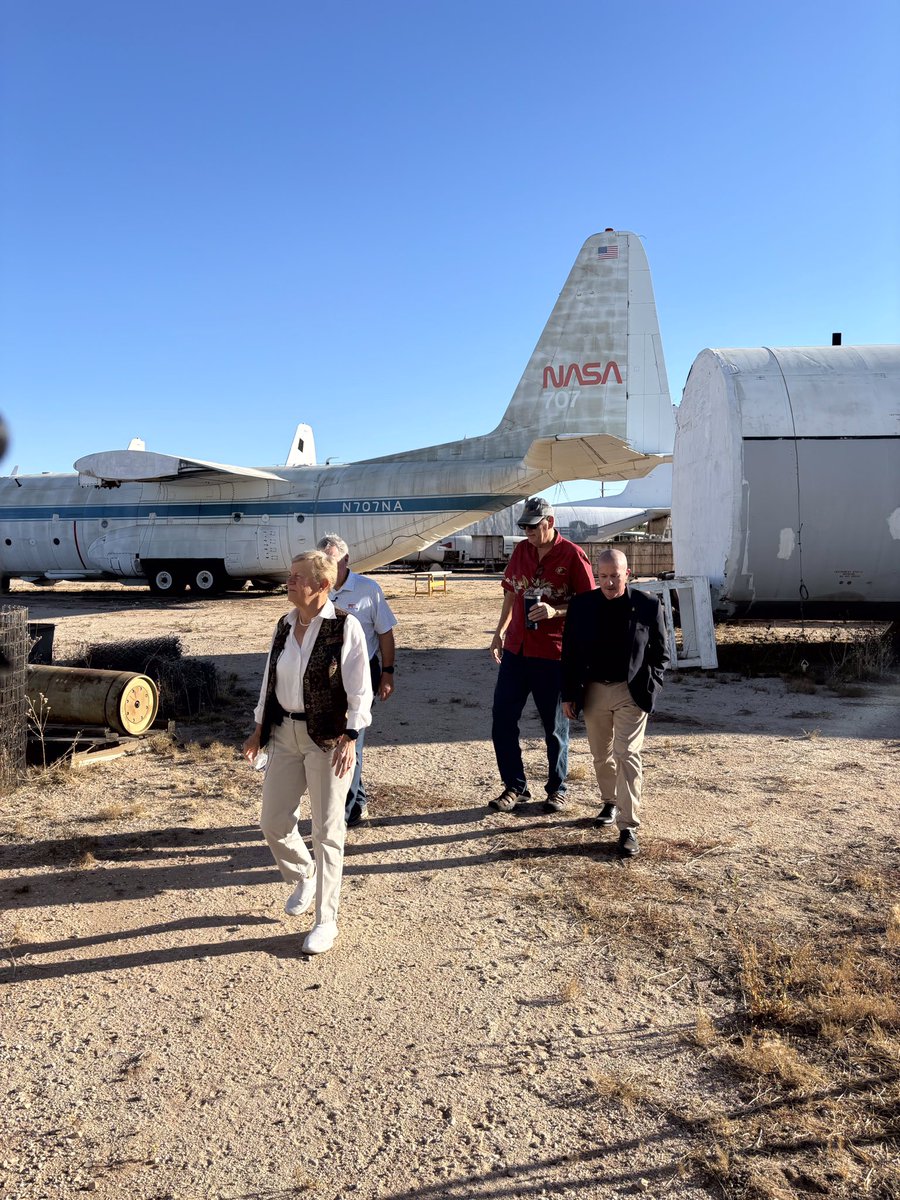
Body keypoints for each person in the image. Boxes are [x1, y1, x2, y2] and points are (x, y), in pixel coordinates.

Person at [242, 551, 373, 955]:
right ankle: (303, 873)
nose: (289, 582)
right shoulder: (283, 625)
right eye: (290, 576)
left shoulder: (344, 627)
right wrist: (258, 730)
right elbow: (269, 680)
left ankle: (326, 921)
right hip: (283, 734)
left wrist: (351, 737)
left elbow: (359, 688)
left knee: (328, 832)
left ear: (323, 586)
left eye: (298, 577)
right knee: (273, 821)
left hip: (329, 739)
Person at [561, 548, 670, 858]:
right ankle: (610, 801)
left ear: (628, 574)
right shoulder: (582, 605)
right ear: (598, 575)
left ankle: (628, 826)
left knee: (627, 754)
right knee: (601, 755)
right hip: (593, 690)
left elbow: (660, 652)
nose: (609, 583)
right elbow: (568, 653)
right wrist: (568, 694)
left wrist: (652, 687)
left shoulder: (647, 605)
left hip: (630, 692)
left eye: (615, 576)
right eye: (604, 576)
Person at [489, 497, 595, 814]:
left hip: (553, 652)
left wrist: (555, 610)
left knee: (554, 726)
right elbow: (511, 593)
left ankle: (557, 789)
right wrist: (499, 632)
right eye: (524, 527)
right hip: (516, 650)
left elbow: (589, 605)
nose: (527, 532)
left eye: (532, 527)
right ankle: (515, 786)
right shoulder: (521, 551)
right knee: (502, 719)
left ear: (549, 522)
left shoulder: (573, 556)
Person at [316, 533, 397, 827]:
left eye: (332, 561)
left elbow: (385, 633)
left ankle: (349, 811)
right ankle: (357, 799)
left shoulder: (368, 590)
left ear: (347, 560)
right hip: (325, 676)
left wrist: (387, 673)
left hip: (361, 675)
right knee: (331, 740)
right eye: (321, 561)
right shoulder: (318, 589)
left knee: (352, 739)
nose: (325, 566)